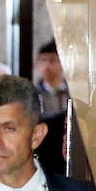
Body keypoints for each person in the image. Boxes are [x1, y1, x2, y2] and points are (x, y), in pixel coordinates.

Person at [33, 41, 70, 170]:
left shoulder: (71, 93)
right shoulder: (33, 93)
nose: (47, 65)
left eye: (53, 60)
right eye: (43, 60)